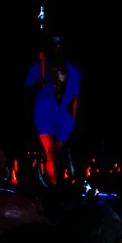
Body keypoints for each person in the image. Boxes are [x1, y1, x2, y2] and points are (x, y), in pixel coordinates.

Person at [26, 38, 82, 186]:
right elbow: (28, 87)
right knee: (50, 151)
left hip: (64, 116)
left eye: (60, 47)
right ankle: (53, 185)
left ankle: (59, 182)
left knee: (58, 151)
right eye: (55, 47)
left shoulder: (73, 72)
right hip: (44, 113)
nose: (58, 50)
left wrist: (73, 118)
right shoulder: (40, 68)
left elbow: (75, 96)